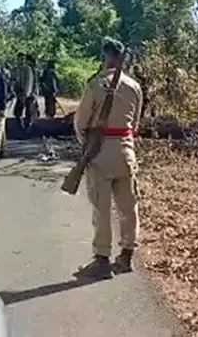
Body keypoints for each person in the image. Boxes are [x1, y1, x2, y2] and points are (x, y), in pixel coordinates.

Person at [72, 38, 142, 280]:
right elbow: (135, 124)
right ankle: (126, 256)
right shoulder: (134, 86)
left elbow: (81, 123)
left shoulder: (95, 85)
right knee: (128, 207)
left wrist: (88, 148)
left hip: (99, 153)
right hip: (126, 151)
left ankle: (102, 260)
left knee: (101, 209)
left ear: (105, 57)